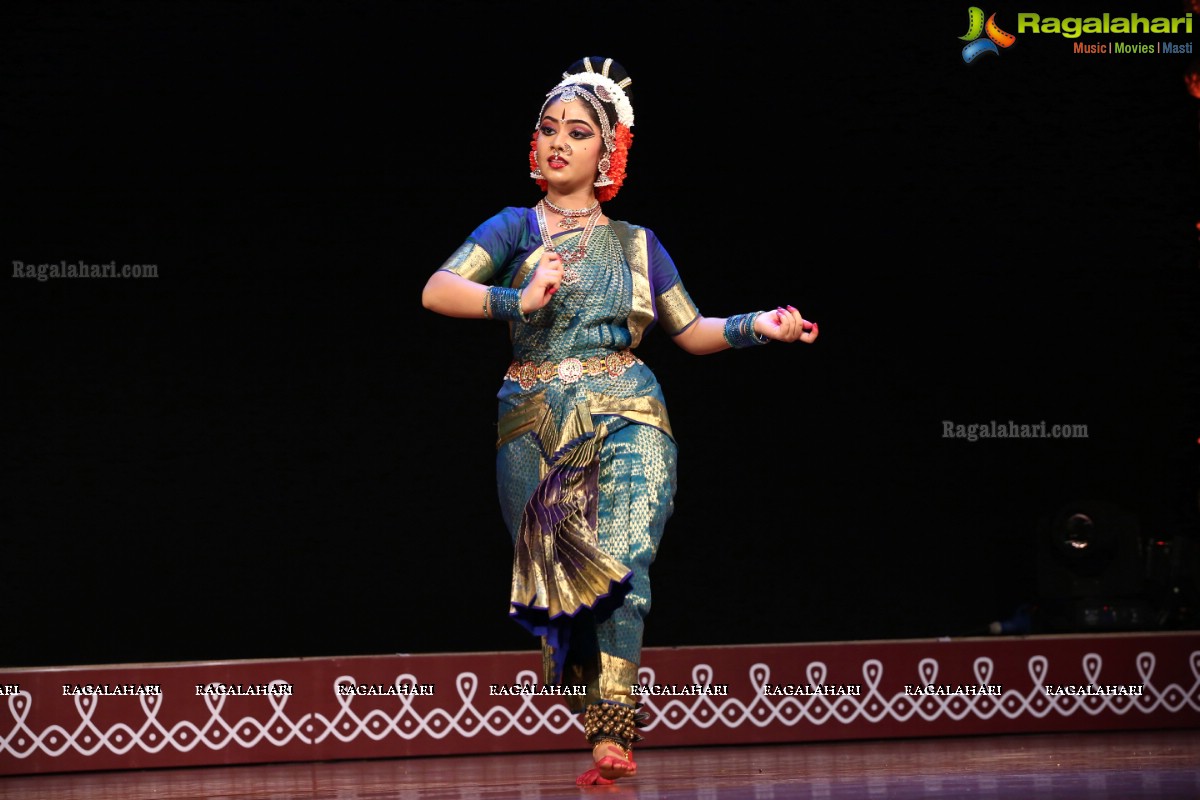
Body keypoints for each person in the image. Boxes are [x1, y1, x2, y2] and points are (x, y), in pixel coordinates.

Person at [421, 55, 819, 786]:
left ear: (608, 153)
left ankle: (614, 734)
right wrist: (517, 301)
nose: (558, 143)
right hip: (535, 420)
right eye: (548, 129)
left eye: (578, 133)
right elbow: (438, 290)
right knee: (562, 598)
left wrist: (758, 325)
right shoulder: (513, 228)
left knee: (625, 567)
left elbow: (691, 330)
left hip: (630, 409)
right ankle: (590, 700)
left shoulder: (639, 245)